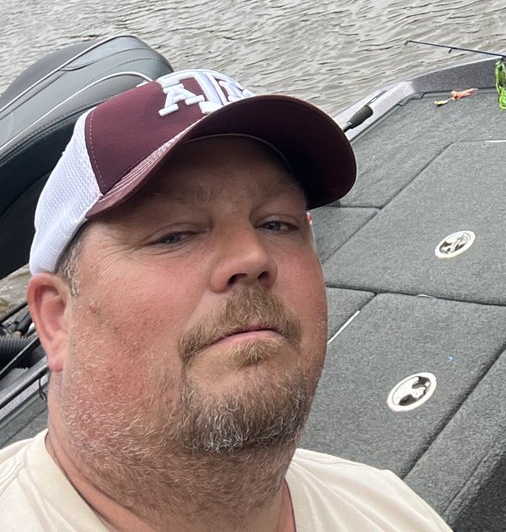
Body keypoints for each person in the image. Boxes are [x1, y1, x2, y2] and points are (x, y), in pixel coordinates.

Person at [0, 67, 453, 532]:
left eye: (277, 224)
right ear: (58, 319)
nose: (252, 256)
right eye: (173, 235)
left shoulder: (389, 509)